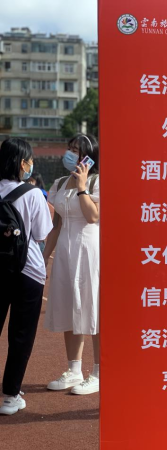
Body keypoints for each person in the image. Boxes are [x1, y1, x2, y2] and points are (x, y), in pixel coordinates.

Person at [43, 134, 100, 395]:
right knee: (68, 306)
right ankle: (74, 369)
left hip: (89, 250)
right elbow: (56, 225)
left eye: (76, 150)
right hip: (66, 252)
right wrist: (43, 257)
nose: (70, 154)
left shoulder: (97, 181)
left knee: (93, 308)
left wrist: (82, 186)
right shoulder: (58, 183)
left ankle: (98, 371)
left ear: (88, 156)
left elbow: (92, 216)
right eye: (70, 148)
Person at [0, 138, 53, 415]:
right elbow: (41, 234)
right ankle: (10, 396)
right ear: (23, 163)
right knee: (21, 335)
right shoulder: (32, 194)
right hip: (27, 270)